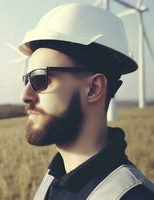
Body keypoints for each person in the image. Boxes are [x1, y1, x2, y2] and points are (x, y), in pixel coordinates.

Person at [18, 3, 154, 200]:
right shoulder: (52, 180)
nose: (25, 94)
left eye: (40, 79)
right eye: (26, 80)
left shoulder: (133, 196)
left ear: (94, 89)